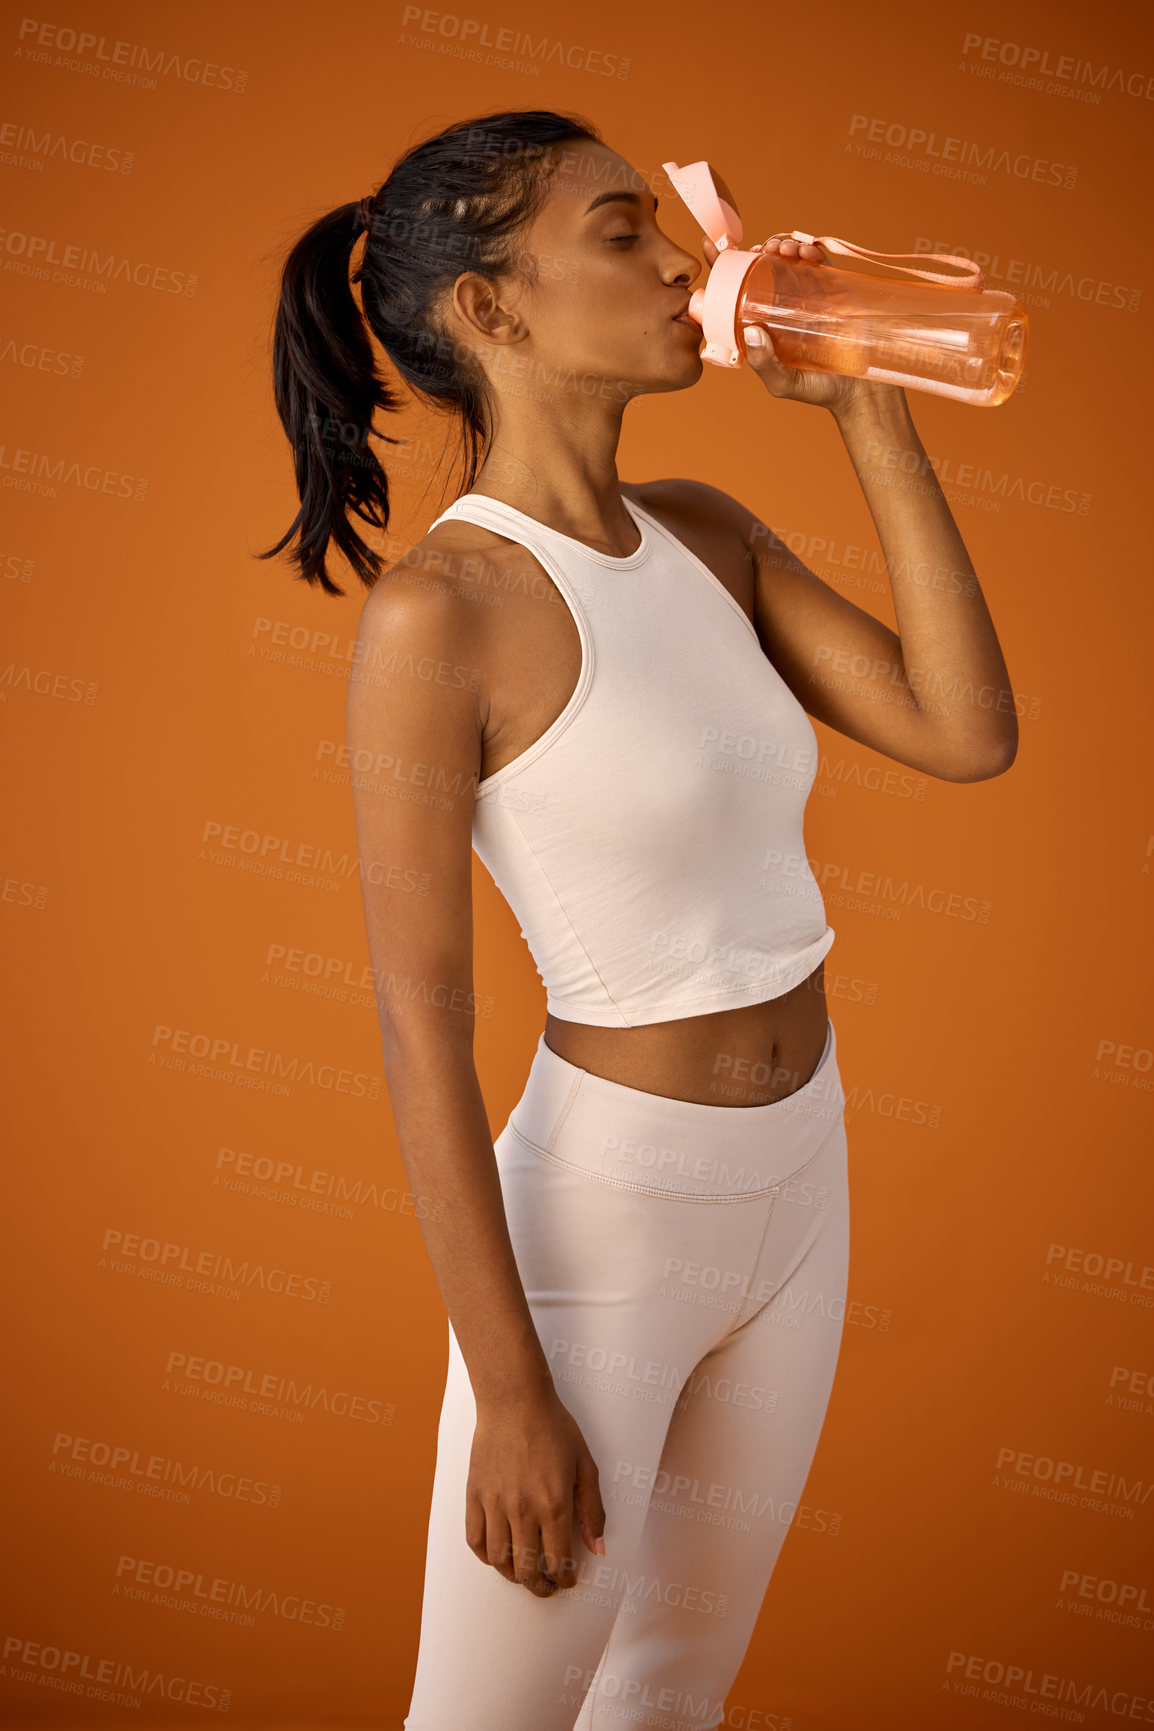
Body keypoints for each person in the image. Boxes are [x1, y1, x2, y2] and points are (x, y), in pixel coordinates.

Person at [259, 107, 1017, 1731]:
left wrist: (865, 402)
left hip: (798, 1184)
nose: (683, 260)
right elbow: (418, 1020)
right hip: (602, 1234)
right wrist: (508, 1387)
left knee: (669, 1705)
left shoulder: (709, 536)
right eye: (621, 234)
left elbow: (965, 731)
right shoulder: (439, 616)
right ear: (491, 309)